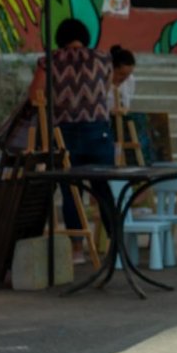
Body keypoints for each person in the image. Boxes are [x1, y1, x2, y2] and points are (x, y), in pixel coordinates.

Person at [28, 18, 115, 263]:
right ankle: (115, 246)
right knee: (104, 189)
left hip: (64, 133)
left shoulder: (49, 61)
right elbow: (105, 92)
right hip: (99, 132)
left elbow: (36, 95)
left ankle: (77, 249)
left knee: (71, 191)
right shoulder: (103, 58)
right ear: (85, 36)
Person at [108, 44, 136, 113]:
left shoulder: (130, 80)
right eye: (122, 74)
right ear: (112, 69)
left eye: (128, 75)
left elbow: (127, 104)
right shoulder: (101, 82)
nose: (125, 78)